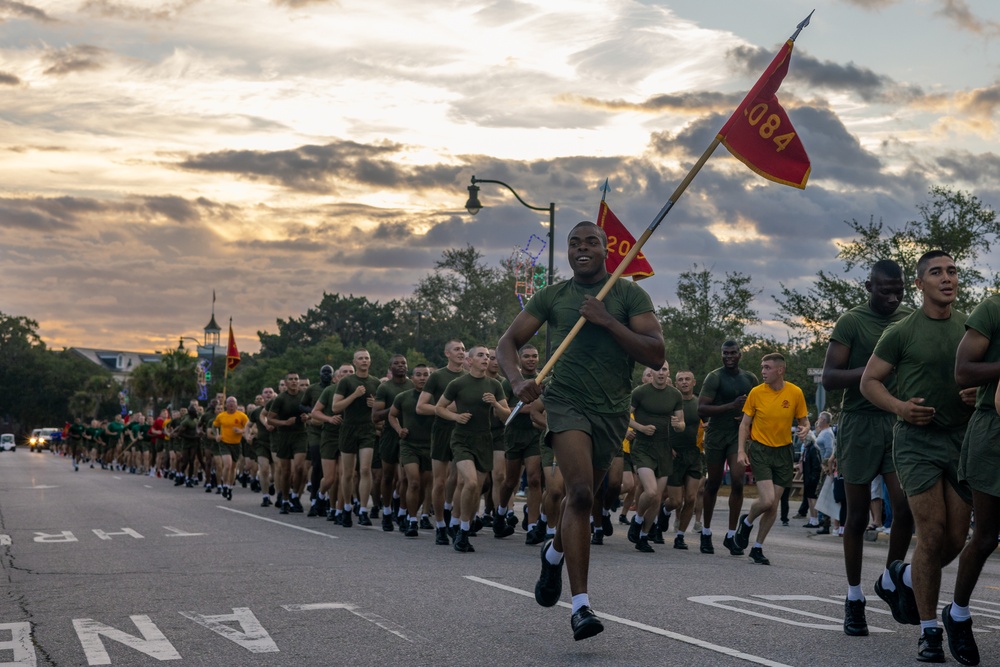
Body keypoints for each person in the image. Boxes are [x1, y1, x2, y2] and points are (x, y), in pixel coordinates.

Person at [497, 220, 664, 641]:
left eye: (591, 241)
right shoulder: (552, 296)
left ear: (607, 249)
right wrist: (518, 382)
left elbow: (656, 355)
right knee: (582, 494)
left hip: (610, 412)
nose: (582, 248)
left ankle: (553, 554)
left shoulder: (628, 294)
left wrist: (607, 320)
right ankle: (581, 607)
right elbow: (507, 344)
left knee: (593, 495)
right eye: (574, 243)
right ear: (567, 253)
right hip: (566, 403)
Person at [860, 250, 974, 663]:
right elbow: (869, 381)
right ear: (921, 283)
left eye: (952, 271)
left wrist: (980, 394)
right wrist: (900, 408)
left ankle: (902, 577)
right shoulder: (902, 331)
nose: (947, 278)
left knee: (957, 539)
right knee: (932, 530)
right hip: (916, 442)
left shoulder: (970, 327)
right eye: (937, 273)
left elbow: (986, 376)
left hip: (961, 440)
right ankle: (930, 632)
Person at [939, 287, 1000, 665]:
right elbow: (963, 371)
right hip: (992, 434)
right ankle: (957, 614)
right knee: (986, 537)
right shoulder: (992, 308)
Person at [733, 353, 809, 565]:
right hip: (760, 450)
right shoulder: (756, 393)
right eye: (762, 367)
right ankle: (746, 522)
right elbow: (744, 425)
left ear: (780, 370)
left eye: (767, 367)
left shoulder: (795, 392)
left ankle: (757, 547)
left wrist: (805, 429)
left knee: (774, 505)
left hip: (783, 452)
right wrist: (741, 450)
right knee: (766, 500)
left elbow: (804, 419)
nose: (763, 371)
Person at [435, 344, 510, 552]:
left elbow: (506, 417)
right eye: (481, 355)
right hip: (461, 439)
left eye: (487, 356)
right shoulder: (458, 384)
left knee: (477, 488)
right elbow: (439, 408)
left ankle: (463, 527)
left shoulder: (495, 385)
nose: (486, 359)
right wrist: (456, 417)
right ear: (470, 361)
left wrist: (496, 404)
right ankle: (461, 530)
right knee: (469, 482)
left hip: (484, 440)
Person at [698, 342, 758, 556]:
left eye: (733, 353)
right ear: (721, 355)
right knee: (712, 483)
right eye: (725, 353)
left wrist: (746, 417)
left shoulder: (750, 378)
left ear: (740, 354)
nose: (729, 356)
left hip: (736, 435)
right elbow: (701, 408)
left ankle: (731, 535)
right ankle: (706, 532)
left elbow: (757, 407)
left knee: (737, 480)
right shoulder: (714, 377)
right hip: (715, 435)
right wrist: (730, 406)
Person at [627, 362, 684, 553]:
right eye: (658, 369)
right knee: (650, 491)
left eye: (665, 369)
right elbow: (624, 416)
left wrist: (678, 425)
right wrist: (641, 428)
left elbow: (681, 423)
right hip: (643, 447)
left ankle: (643, 536)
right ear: (651, 372)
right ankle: (637, 519)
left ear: (669, 372)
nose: (661, 373)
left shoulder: (675, 395)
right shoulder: (640, 392)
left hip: (664, 449)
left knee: (657, 498)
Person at [416, 340, 467, 545]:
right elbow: (421, 407)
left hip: (464, 432)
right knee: (439, 481)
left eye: (463, 349)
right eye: (457, 349)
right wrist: (444, 409)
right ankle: (440, 524)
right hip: (442, 432)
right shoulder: (437, 376)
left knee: (461, 480)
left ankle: (454, 519)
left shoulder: (469, 376)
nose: (461, 353)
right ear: (447, 353)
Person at [497, 344, 546, 544]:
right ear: (519, 358)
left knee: (534, 479)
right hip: (513, 434)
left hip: (535, 433)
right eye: (526, 356)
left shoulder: (543, 381)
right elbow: (501, 410)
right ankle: (500, 514)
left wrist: (523, 408)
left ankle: (533, 526)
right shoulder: (510, 382)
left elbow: (542, 409)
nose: (531, 359)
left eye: (534, 356)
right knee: (510, 481)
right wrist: (529, 408)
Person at [333, 350, 381, 525]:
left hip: (367, 429)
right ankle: (346, 507)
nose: (364, 361)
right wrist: (354, 395)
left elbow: (381, 408)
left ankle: (362, 510)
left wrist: (374, 405)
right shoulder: (346, 382)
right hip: (348, 428)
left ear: (370, 361)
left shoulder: (375, 382)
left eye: (367, 358)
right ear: (354, 362)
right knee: (348, 473)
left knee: (365, 470)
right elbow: (335, 407)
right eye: (360, 358)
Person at [389, 364, 434, 537]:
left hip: (429, 446)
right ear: (412, 377)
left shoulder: (436, 398)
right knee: (413, 481)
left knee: (423, 485)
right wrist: (399, 430)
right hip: (409, 445)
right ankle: (412, 519)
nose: (422, 378)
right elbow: (392, 415)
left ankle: (410, 512)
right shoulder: (403, 397)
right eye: (419, 375)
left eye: (426, 375)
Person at [373, 355, 414, 531]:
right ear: (390, 368)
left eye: (403, 363)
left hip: (409, 435)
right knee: (388, 476)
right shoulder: (385, 388)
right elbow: (375, 416)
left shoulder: (413, 385)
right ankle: (387, 512)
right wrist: (396, 407)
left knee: (405, 477)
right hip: (390, 435)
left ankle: (403, 513)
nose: (400, 366)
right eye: (396, 364)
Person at [665, 370, 702, 550]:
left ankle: (680, 536)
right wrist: (667, 446)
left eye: (688, 379)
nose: (684, 382)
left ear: (694, 382)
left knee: (691, 498)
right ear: (676, 384)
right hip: (674, 454)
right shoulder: (671, 402)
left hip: (693, 454)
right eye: (681, 380)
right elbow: (661, 425)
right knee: (675, 501)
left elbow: (708, 423)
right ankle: (664, 512)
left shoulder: (699, 403)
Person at [267, 372, 311, 514]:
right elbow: (270, 419)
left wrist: (307, 417)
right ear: (285, 383)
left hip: (300, 434)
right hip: (284, 436)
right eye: (291, 379)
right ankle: (285, 500)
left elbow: (312, 412)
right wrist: (284, 422)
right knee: (286, 472)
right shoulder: (280, 399)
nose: (294, 382)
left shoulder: (304, 396)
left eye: (296, 379)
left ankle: (295, 496)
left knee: (299, 468)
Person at [212, 397, 249, 500]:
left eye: (233, 402)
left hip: (236, 444)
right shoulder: (221, 416)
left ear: (236, 404)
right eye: (229, 402)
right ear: (226, 405)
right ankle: (224, 485)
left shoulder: (242, 416)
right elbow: (214, 426)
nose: (231, 404)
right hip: (224, 443)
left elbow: (249, 427)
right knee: (227, 465)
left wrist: (241, 431)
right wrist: (216, 435)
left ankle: (230, 487)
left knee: (233, 467)